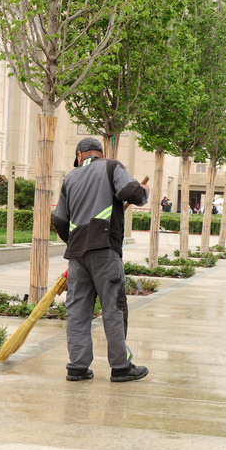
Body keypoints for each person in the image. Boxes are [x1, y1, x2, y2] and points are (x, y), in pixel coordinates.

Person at [52, 137, 150, 383]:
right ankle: (120, 366)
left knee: (77, 311)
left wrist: (75, 242)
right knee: (113, 308)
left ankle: (77, 366)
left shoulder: (69, 178)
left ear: (79, 155)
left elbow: (59, 221)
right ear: (99, 153)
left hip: (77, 256)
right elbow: (131, 193)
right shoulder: (112, 167)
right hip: (105, 251)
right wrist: (143, 192)